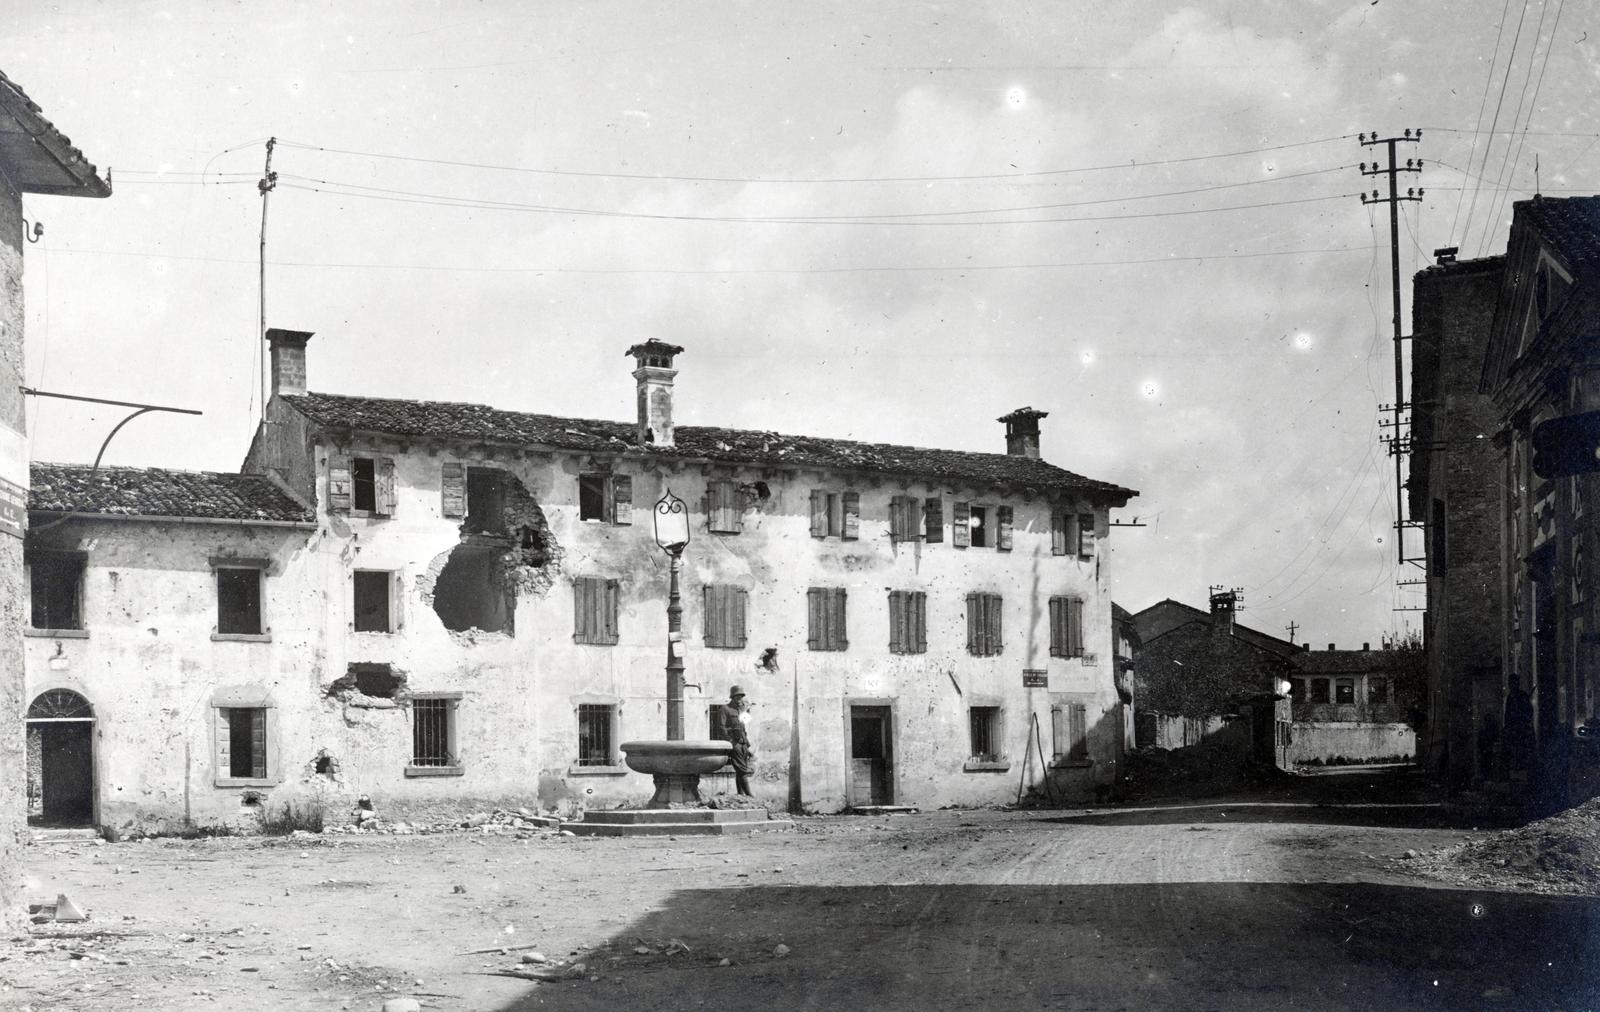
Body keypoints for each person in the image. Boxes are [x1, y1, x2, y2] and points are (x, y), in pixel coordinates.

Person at [718, 685, 755, 796]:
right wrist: (731, 742)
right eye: (737, 696)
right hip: (734, 743)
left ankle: (741, 794)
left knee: (740, 771)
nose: (740, 698)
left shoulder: (740, 710)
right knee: (743, 771)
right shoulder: (725, 709)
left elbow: (743, 728)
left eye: (741, 696)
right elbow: (721, 727)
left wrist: (747, 746)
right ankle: (749, 795)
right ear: (732, 697)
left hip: (743, 743)